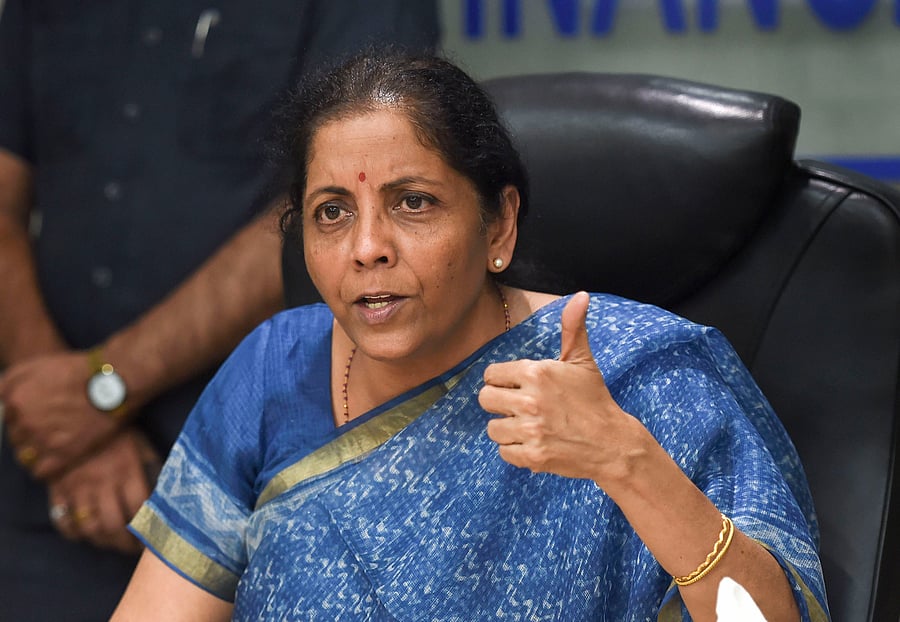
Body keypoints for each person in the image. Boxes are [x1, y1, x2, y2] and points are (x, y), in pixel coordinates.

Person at [111, 50, 830, 621]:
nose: (367, 247)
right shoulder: (271, 370)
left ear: (499, 225)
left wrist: (628, 464)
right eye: (332, 212)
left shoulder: (649, 376)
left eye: (412, 202)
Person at [0, 3, 439, 620]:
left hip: (277, 485)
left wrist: (101, 390)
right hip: (54, 483)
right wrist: (60, 419)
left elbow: (349, 208)